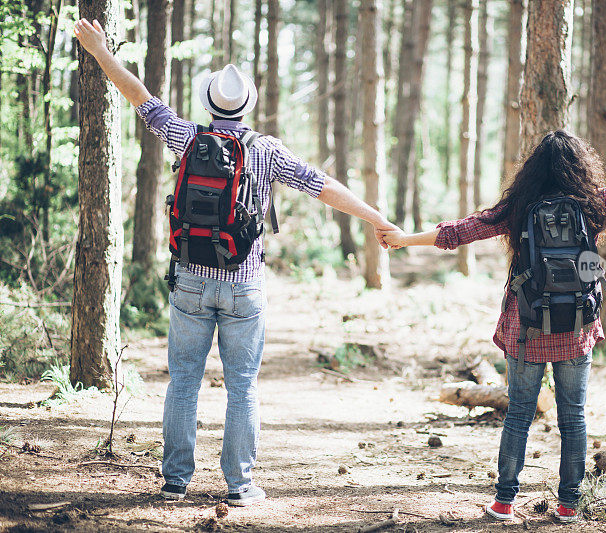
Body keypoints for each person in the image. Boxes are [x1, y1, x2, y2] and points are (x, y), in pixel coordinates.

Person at [74, 18, 399, 506]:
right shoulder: (266, 151)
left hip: (190, 280)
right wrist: (378, 220)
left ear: (209, 104)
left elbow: (139, 97)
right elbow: (323, 187)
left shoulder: (187, 138)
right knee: (242, 383)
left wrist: (101, 52)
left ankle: (175, 481)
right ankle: (240, 485)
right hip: (245, 284)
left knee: (183, 378)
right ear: (246, 108)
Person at [379, 128, 606, 522]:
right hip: (576, 329)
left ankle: (504, 501)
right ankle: (569, 503)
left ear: (532, 170)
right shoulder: (591, 204)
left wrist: (403, 240)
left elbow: (459, 232)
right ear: (580, 167)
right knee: (573, 417)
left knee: (518, 414)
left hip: (526, 327)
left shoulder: (518, 208)